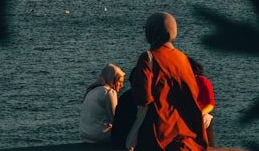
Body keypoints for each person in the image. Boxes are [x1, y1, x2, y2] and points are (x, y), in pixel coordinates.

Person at [125, 12, 207, 151]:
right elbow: (194, 92)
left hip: (159, 135)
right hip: (189, 135)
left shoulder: (148, 58)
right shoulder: (183, 59)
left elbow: (143, 97)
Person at [80, 64, 126, 143]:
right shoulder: (109, 92)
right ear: (113, 79)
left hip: (86, 134)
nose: (121, 85)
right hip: (100, 135)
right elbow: (115, 118)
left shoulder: (92, 90)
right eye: (119, 81)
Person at [188, 60, 215, 147]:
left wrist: (198, 114)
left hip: (202, 116)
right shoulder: (181, 81)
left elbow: (210, 103)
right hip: (188, 117)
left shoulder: (202, 81)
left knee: (208, 146)